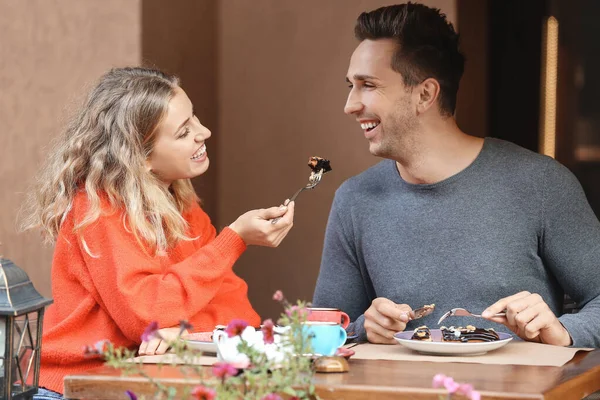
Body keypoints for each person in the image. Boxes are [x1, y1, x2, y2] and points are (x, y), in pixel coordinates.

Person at [312, 2, 600, 348]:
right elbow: (321, 334)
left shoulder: (541, 184)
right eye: (351, 86)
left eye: (368, 85)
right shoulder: (354, 199)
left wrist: (564, 332)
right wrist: (363, 326)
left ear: (425, 94)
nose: (350, 104)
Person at [22, 67, 295, 397]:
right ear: (140, 157)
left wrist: (184, 333)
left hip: (134, 382)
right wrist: (233, 239)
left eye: (194, 119)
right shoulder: (99, 210)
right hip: (73, 388)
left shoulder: (180, 203)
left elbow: (235, 312)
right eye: (183, 132)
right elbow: (147, 315)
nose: (204, 132)